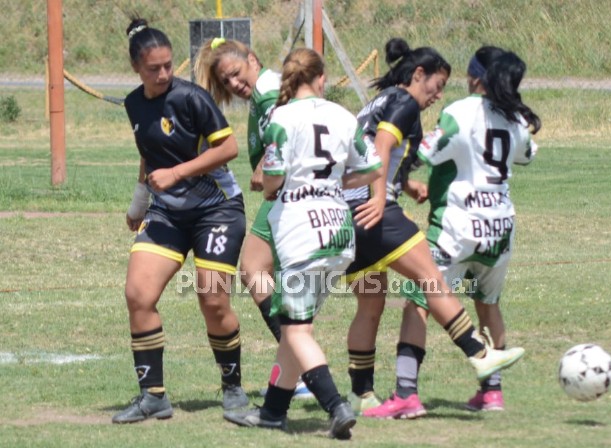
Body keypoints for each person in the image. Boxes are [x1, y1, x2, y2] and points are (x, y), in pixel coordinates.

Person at [343, 38, 526, 416]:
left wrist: (404, 184)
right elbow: (381, 144)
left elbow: (371, 151)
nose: (437, 95)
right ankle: (478, 355)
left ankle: (362, 395)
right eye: (436, 86)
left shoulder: (380, 100)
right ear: (418, 74)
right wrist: (381, 197)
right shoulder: (405, 102)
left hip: (349, 215)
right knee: (430, 281)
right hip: (375, 212)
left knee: (370, 305)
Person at [223, 48, 381, 440]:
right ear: (321, 79)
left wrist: (281, 184)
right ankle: (273, 412)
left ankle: (336, 406)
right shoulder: (344, 117)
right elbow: (373, 168)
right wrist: (335, 186)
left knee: (295, 332)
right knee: (298, 325)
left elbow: (271, 181)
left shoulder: (282, 117)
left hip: (301, 233)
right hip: (339, 233)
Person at [112, 18, 249, 424]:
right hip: (167, 211)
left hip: (217, 209)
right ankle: (153, 396)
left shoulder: (191, 98)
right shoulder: (133, 103)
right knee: (138, 293)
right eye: (154, 68)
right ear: (137, 67)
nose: (164, 74)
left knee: (213, 299)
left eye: (169, 65)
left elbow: (228, 148)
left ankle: (233, 388)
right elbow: (148, 155)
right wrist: (139, 203)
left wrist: (178, 173)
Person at [194, 38, 313, 399]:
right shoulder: (266, 90)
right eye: (225, 81)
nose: (233, 84)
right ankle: (299, 370)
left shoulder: (268, 90)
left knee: (252, 269)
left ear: (252, 59)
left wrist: (264, 164)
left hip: (288, 194)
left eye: (235, 73)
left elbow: (288, 120)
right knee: (275, 281)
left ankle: (304, 371)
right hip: (290, 194)